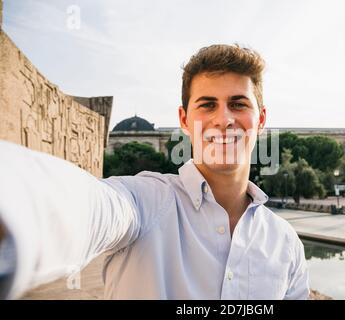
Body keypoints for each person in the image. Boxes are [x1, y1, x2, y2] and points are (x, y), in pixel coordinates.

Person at [0, 44, 309, 300]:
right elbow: (92, 204)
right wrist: (15, 204)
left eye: (238, 103)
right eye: (207, 105)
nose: (224, 119)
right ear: (185, 120)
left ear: (261, 118)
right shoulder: (146, 201)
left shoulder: (285, 243)